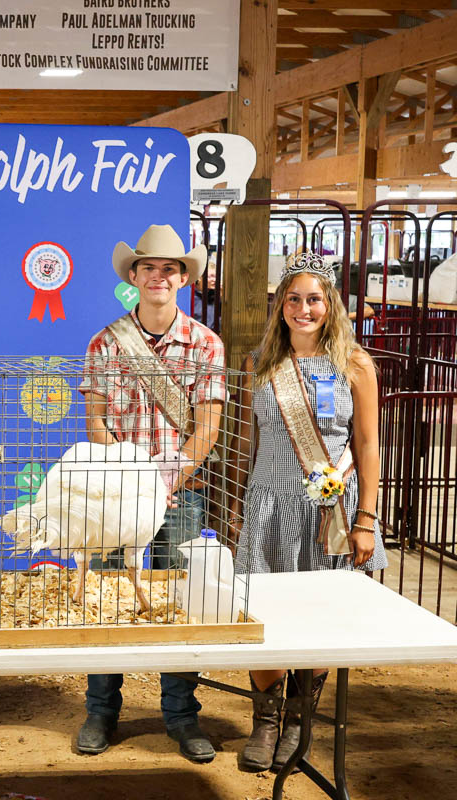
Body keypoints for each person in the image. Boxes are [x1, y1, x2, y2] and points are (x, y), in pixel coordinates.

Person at [77, 224, 227, 763]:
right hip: (116, 494)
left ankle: (182, 716)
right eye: (149, 268)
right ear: (134, 276)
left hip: (179, 494)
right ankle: (100, 710)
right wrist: (132, 481)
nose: (159, 276)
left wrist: (166, 482)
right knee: (109, 595)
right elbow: (96, 420)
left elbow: (207, 427)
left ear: (183, 278)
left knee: (179, 598)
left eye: (169, 268)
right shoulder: (105, 342)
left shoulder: (206, 344)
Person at [232, 252, 387, 773]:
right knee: (261, 613)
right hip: (268, 505)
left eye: (314, 299)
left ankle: (299, 722)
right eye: (293, 299)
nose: (304, 309)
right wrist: (238, 506)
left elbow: (368, 444)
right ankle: (265, 722)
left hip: (329, 509)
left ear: (330, 304)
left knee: (322, 614)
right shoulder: (260, 363)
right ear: (280, 306)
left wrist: (366, 519)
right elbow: (247, 442)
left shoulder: (355, 364)